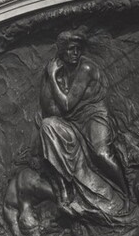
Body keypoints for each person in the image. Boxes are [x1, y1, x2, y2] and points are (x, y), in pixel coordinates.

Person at [39, 31, 129, 225]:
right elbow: (51, 108)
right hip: (73, 120)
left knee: (101, 154)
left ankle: (128, 194)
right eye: (71, 49)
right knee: (47, 127)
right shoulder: (63, 70)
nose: (76, 53)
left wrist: (52, 77)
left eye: (78, 49)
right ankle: (70, 191)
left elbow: (66, 104)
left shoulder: (86, 68)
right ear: (62, 51)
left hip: (94, 116)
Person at [2, 167, 69, 236]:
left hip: (31, 183)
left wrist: (63, 199)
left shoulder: (31, 185)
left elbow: (62, 197)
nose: (49, 218)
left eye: (37, 216)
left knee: (63, 200)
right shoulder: (11, 210)